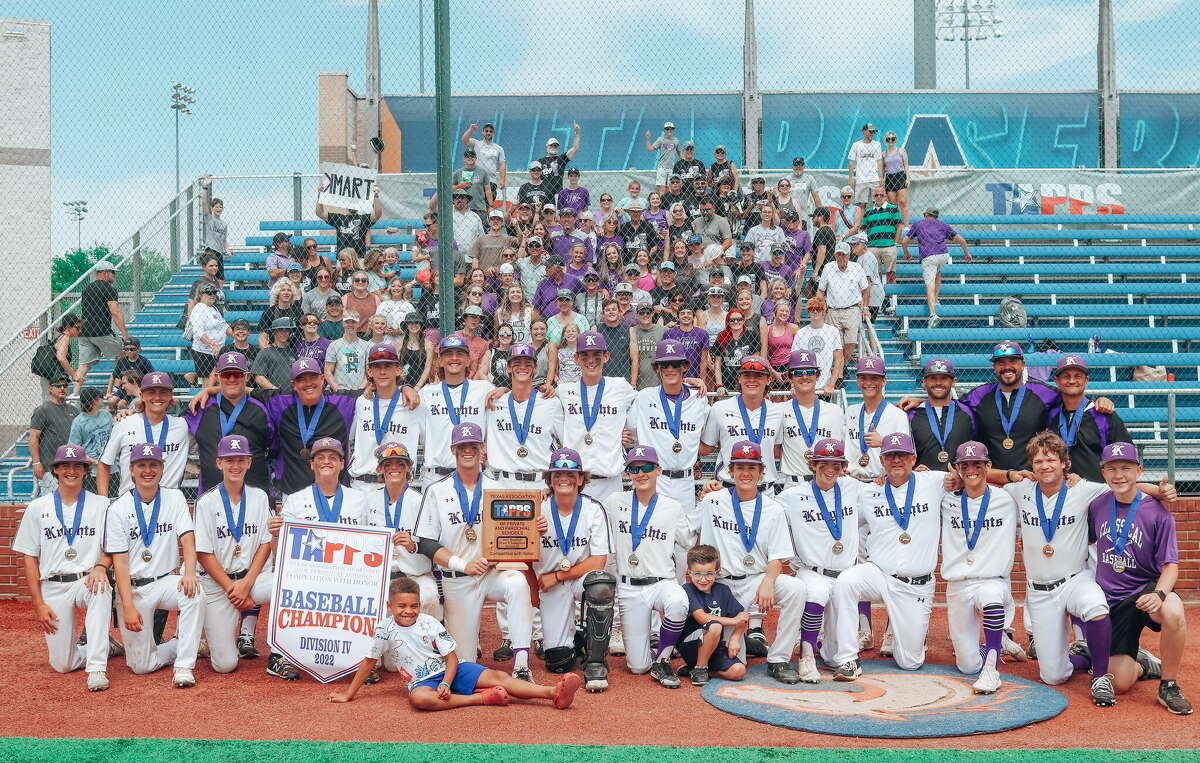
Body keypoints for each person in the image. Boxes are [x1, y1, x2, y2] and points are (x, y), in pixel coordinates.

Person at [1000, 431, 1159, 705]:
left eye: (1050, 459)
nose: (1044, 466)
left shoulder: (1083, 489)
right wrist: (1010, 475)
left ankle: (1100, 676)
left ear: (1064, 463)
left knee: (1096, 607)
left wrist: (1160, 491)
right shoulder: (1021, 490)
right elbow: (986, 477)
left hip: (1075, 578)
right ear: (1031, 466)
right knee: (1053, 676)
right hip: (1039, 590)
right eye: (1037, 461)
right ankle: (1087, 654)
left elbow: (1123, 488)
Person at [327, 578, 581, 710]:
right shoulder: (384, 629)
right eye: (402, 606)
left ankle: (552, 693)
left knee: (497, 676)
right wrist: (349, 694)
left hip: (451, 671)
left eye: (414, 606)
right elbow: (369, 661)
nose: (409, 611)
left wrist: (448, 682)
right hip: (422, 682)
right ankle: (482, 700)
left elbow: (451, 658)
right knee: (419, 700)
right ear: (390, 606)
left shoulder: (429, 623)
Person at [415, 422, 536, 679]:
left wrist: (535, 527)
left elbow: (514, 533)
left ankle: (522, 665)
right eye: (462, 446)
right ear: (453, 449)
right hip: (458, 578)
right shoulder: (437, 490)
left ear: (482, 449)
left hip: (491, 574)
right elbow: (426, 543)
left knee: (516, 582)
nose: (467, 451)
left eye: (473, 446)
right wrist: (463, 564)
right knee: (464, 667)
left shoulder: (499, 488)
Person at [830, 433, 949, 679]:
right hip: (880, 573)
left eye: (902, 455)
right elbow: (845, 518)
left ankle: (905, 635)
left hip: (915, 584)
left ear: (914, 458)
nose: (897, 460)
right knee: (845, 582)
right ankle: (847, 658)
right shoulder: (868, 492)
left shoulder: (934, 482)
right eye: (890, 456)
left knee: (910, 662)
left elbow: (962, 479)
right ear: (882, 460)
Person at [1088, 442, 1191, 714]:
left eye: (1125, 468)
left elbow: (1170, 565)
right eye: (1111, 469)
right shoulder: (1097, 505)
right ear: (1103, 472)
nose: (1118, 475)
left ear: (1139, 470)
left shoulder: (1158, 512)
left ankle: (1168, 684)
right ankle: (1144, 663)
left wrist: (1158, 594)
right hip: (1111, 599)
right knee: (1120, 682)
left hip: (1145, 591)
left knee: (1173, 609)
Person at [697, 440, 803, 683]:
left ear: (761, 471)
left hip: (756, 580)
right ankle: (730, 645)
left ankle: (778, 659)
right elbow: (693, 536)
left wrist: (768, 580)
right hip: (723, 586)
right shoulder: (713, 501)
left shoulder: (772, 508)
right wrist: (705, 491)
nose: (746, 473)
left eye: (752, 468)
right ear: (730, 471)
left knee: (796, 589)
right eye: (740, 467)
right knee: (735, 667)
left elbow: (778, 557)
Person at [265, 436, 371, 680]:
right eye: (320, 458)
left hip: (347, 575)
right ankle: (279, 655)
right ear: (312, 464)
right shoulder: (296, 500)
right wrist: (274, 534)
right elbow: (279, 550)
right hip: (308, 577)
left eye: (333, 457)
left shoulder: (358, 500)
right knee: (283, 586)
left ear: (342, 464)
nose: (326, 462)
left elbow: (369, 543)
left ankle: (359, 659)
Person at [12, 443, 113, 691]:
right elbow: (29, 557)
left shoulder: (101, 505)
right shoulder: (37, 507)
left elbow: (112, 547)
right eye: (65, 465)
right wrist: (38, 604)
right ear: (55, 470)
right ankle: (104, 646)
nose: (71, 470)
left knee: (101, 588)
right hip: (53, 585)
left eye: (77, 466)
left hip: (86, 579)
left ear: (85, 471)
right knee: (63, 664)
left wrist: (101, 566)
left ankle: (97, 667)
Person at [105, 442, 203, 687]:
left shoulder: (175, 497)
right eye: (142, 465)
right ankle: (177, 645)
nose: (148, 470)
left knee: (195, 593)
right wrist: (126, 605)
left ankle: (184, 665)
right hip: (135, 588)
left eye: (153, 465)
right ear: (131, 469)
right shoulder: (117, 508)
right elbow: (120, 562)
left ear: (162, 468)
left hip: (165, 581)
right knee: (141, 667)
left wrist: (189, 572)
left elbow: (188, 540)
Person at [602, 446, 691, 687]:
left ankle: (662, 659)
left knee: (678, 601)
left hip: (661, 581)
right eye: (634, 468)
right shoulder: (614, 502)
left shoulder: (672, 507)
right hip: (629, 587)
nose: (641, 473)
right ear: (628, 473)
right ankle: (651, 658)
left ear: (658, 470)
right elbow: (589, 512)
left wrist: (706, 498)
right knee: (638, 667)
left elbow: (690, 540)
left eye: (647, 468)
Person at [938, 441, 1019, 694]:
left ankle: (992, 669)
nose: (972, 470)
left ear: (988, 466)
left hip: (992, 580)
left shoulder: (1007, 499)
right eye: (965, 465)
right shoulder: (946, 500)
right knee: (966, 665)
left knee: (991, 596)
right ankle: (995, 644)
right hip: (959, 583)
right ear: (958, 469)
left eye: (978, 464)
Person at [778, 437, 863, 679]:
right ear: (813, 464)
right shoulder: (792, 496)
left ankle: (830, 649)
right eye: (823, 462)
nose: (829, 468)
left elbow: (887, 487)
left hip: (846, 572)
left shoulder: (853, 487)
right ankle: (806, 656)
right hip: (812, 571)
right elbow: (763, 507)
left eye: (835, 464)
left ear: (842, 466)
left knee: (835, 656)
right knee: (815, 593)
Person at [628, 339, 711, 576]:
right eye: (665, 365)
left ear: (685, 366)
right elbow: (630, 429)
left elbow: (705, 441)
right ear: (656, 369)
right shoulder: (644, 398)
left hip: (685, 481)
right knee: (653, 535)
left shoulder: (698, 398)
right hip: (657, 479)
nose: (670, 369)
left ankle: (681, 599)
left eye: (676, 364)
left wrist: (694, 383)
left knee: (684, 542)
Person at [534, 448, 614, 690]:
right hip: (548, 584)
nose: (564, 478)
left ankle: (596, 661)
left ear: (580, 479)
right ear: (549, 479)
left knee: (601, 584)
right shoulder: (537, 507)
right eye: (557, 473)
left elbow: (599, 560)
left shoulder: (593, 509)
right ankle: (579, 638)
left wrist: (558, 575)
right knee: (558, 662)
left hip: (576, 577)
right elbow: (523, 554)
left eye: (570, 473)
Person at [193, 434, 274, 675]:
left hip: (251, 580)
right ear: (219, 463)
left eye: (240, 460)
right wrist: (232, 588)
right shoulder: (206, 502)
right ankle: (198, 639)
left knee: (288, 584)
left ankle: (285, 652)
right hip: (219, 586)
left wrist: (246, 584)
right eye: (229, 460)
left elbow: (266, 543)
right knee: (225, 665)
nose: (235, 466)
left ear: (249, 462)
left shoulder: (259, 497)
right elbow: (203, 553)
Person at [556, 332, 638, 501]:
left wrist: (627, 429)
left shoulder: (620, 387)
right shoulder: (564, 391)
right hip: (576, 482)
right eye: (585, 356)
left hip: (610, 483)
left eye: (596, 355)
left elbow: (649, 401)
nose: (591, 360)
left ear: (606, 356)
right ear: (576, 358)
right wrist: (503, 390)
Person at [364, 443, 440, 618]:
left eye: (400, 464)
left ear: (409, 468)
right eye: (388, 464)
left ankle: (428, 641)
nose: (394, 468)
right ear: (380, 469)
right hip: (381, 576)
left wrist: (414, 545)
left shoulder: (421, 501)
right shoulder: (370, 500)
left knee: (428, 596)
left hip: (415, 575)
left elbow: (434, 542)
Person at [183, 352, 272, 495]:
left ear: (247, 376)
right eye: (226, 375)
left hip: (255, 496)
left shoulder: (262, 409)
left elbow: (275, 446)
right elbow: (169, 430)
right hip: (211, 496)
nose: (231, 379)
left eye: (237, 374)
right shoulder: (201, 407)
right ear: (218, 376)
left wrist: (211, 388)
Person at [417, 336, 496, 487]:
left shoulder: (484, 389)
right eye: (448, 354)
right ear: (440, 361)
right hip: (435, 477)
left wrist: (504, 389)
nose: (454, 358)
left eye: (460, 353)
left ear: (468, 360)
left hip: (473, 476)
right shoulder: (426, 394)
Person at [97, 371, 188, 497]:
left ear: (170, 396)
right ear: (141, 395)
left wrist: (207, 390)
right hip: (130, 503)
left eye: (163, 392)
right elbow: (104, 463)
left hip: (168, 505)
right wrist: (103, 501)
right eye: (151, 392)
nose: (157, 397)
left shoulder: (182, 426)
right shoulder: (124, 424)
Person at [485, 343, 564, 487]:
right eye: (516, 363)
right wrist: (503, 389)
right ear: (508, 367)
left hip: (541, 483)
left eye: (528, 363)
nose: (522, 367)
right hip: (503, 483)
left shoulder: (551, 403)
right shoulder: (494, 402)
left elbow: (566, 442)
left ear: (536, 367)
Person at [347, 344, 420, 490]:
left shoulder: (413, 403)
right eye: (377, 367)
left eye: (387, 366)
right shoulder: (361, 402)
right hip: (362, 485)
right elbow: (348, 439)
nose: (382, 372)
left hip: (398, 483)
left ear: (398, 370)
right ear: (369, 371)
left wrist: (406, 387)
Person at [1047, 355, 1131, 482]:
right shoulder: (1049, 415)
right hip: (1058, 490)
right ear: (1057, 381)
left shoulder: (1104, 415)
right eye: (1066, 376)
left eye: (1077, 376)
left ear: (1086, 380)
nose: (1071, 380)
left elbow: (1126, 455)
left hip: (1095, 491)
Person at [678, 544, 748, 685]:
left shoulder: (723, 590)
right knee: (714, 626)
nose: (703, 580)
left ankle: (697, 670)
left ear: (717, 572)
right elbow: (702, 617)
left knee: (739, 671)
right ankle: (699, 668)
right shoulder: (687, 589)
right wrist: (734, 621)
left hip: (715, 647)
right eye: (697, 574)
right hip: (690, 645)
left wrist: (735, 637)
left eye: (709, 574)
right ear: (689, 572)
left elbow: (743, 616)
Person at [778, 351, 846, 486]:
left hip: (827, 483)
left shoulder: (835, 411)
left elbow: (843, 449)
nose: (804, 377)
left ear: (817, 375)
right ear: (790, 377)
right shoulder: (780, 411)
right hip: (794, 484)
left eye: (810, 372)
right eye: (798, 373)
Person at [900, 207, 972, 327]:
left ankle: (933, 314)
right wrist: (967, 253)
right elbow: (962, 241)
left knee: (930, 285)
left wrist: (906, 253)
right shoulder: (943, 225)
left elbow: (904, 242)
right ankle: (936, 300)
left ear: (925, 214)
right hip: (943, 255)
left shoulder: (918, 224)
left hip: (929, 257)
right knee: (937, 273)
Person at [844, 357, 910, 481]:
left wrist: (884, 442)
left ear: (884, 381)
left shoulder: (897, 415)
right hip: (851, 480)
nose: (868, 383)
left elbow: (906, 454)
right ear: (857, 381)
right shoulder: (850, 412)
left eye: (874, 378)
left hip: (880, 481)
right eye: (863, 378)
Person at [906, 358, 977, 470]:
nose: (938, 383)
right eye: (933, 378)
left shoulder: (968, 413)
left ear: (953, 381)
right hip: (923, 483)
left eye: (944, 378)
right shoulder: (911, 415)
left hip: (960, 483)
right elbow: (905, 455)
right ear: (924, 381)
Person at [77, 261, 129, 384]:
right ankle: (117, 387)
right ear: (105, 272)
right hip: (101, 331)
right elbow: (115, 312)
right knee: (122, 354)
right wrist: (125, 333)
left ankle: (74, 394)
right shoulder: (109, 289)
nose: (114, 276)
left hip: (84, 332)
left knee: (84, 365)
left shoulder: (87, 289)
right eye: (113, 273)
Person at [817, 242, 870, 365]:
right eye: (838, 254)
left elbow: (866, 289)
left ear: (849, 255)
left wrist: (866, 307)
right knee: (836, 343)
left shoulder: (856, 268)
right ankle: (840, 368)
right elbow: (820, 290)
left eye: (843, 254)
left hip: (852, 309)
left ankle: (843, 364)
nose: (840, 257)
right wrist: (821, 307)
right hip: (833, 310)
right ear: (835, 255)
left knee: (851, 341)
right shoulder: (828, 267)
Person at [29, 376, 79, 496]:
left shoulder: (74, 410)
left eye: (65, 386)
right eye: (58, 386)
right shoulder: (43, 410)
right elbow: (33, 437)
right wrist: (36, 463)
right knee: (52, 505)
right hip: (50, 468)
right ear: (50, 389)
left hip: (71, 467)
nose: (62, 388)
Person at [315, 177, 382, 259]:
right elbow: (320, 213)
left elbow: (377, 214)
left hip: (359, 257)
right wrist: (320, 194)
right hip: (342, 258)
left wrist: (376, 195)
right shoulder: (339, 218)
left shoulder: (363, 218)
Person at [788, 296, 843, 397]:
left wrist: (831, 384)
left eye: (818, 309)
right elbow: (793, 360)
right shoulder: (801, 333)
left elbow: (839, 359)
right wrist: (793, 384)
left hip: (825, 385)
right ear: (808, 311)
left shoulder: (833, 331)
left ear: (823, 311)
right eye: (812, 309)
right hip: (804, 383)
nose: (815, 312)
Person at [709, 310, 764, 392]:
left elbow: (756, 359)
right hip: (727, 384)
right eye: (732, 320)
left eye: (739, 319)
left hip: (747, 382)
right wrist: (719, 385)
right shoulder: (722, 336)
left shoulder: (752, 335)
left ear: (743, 320)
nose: (736, 322)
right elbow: (717, 363)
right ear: (728, 322)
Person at [859, 188, 903, 285]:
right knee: (874, 274)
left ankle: (891, 296)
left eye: (881, 195)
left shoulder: (893, 208)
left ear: (886, 196)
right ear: (873, 197)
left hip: (889, 246)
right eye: (876, 195)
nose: (879, 197)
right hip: (872, 247)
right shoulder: (868, 211)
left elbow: (899, 226)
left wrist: (895, 242)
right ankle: (878, 295)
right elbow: (864, 229)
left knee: (891, 273)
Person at [186, 284, 227, 386]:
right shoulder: (199, 308)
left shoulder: (214, 309)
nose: (212, 295)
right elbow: (199, 333)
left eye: (214, 292)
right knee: (208, 383)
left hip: (216, 350)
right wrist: (213, 345)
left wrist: (235, 335)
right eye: (209, 293)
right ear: (200, 294)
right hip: (204, 351)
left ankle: (192, 376)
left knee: (217, 379)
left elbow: (224, 326)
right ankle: (206, 401)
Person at [35, 315, 83, 400]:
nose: (80, 330)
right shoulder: (65, 337)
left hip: (52, 376)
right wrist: (74, 375)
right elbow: (61, 357)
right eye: (77, 328)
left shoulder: (63, 336)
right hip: (53, 378)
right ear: (68, 327)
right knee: (52, 402)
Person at [847, 122, 883, 230]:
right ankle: (862, 227)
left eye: (873, 132)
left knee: (877, 202)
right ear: (864, 131)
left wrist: (881, 176)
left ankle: (875, 226)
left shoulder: (877, 144)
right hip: (861, 179)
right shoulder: (856, 145)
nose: (872, 134)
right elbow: (852, 162)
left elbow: (879, 161)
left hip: (874, 178)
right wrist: (850, 178)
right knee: (861, 205)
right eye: (870, 131)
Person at [323, 311, 369, 393]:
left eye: (354, 322)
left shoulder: (366, 345)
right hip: (340, 390)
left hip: (360, 390)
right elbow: (328, 371)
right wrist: (337, 389)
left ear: (358, 324)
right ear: (343, 323)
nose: (350, 325)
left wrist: (361, 388)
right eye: (347, 322)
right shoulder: (334, 345)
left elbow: (369, 371)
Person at [662, 306, 710, 380]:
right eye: (682, 313)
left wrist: (702, 381)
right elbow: (665, 359)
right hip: (674, 378)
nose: (686, 315)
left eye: (689, 313)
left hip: (695, 377)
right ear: (677, 317)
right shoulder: (669, 333)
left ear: (693, 317)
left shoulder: (702, 334)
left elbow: (703, 361)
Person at [252, 318, 299, 391]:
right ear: (273, 332)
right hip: (274, 396)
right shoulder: (265, 352)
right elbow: (258, 377)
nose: (284, 333)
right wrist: (275, 390)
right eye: (280, 330)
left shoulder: (292, 351)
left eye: (286, 330)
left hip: (293, 394)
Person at [461, 122, 507, 195]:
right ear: (482, 132)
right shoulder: (476, 143)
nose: (488, 133)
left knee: (487, 202)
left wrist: (502, 180)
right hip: (477, 179)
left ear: (493, 132)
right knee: (475, 202)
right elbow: (464, 140)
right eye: (486, 131)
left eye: (490, 131)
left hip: (491, 180)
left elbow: (502, 164)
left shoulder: (499, 148)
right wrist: (471, 129)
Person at [537, 125, 581, 199]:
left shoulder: (561, 159)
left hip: (558, 194)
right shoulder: (540, 162)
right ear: (546, 147)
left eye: (555, 146)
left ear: (558, 148)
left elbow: (575, 148)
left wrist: (577, 133)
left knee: (558, 210)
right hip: (543, 193)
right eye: (551, 145)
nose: (553, 147)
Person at [629, 304, 667, 390]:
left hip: (658, 381)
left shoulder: (663, 330)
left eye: (648, 312)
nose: (645, 315)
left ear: (653, 313)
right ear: (636, 315)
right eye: (642, 312)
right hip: (638, 380)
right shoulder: (632, 331)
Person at [198, 175, 230, 279]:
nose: (219, 208)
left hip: (219, 252)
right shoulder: (209, 218)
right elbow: (203, 202)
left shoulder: (224, 224)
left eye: (220, 207)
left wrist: (228, 250)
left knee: (221, 279)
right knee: (210, 275)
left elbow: (224, 240)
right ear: (212, 208)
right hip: (210, 250)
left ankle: (218, 294)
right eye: (216, 206)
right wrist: (205, 187)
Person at [452, 148, 493, 217]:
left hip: (480, 208)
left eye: (472, 156)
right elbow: (450, 188)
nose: (470, 158)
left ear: (476, 158)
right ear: (464, 159)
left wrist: (491, 206)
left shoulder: (483, 172)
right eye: (467, 156)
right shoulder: (458, 173)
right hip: (462, 208)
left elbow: (488, 190)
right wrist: (459, 186)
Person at [765, 301, 798, 386]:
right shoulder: (768, 330)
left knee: (791, 396)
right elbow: (765, 353)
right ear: (775, 312)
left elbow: (799, 349)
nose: (784, 313)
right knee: (777, 398)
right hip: (774, 367)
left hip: (790, 366)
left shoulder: (793, 328)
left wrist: (793, 369)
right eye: (782, 310)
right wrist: (773, 372)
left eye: (787, 311)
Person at [881, 130, 911, 224]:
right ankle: (897, 225)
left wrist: (908, 178)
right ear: (885, 140)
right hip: (889, 178)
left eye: (892, 138)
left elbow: (906, 165)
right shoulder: (883, 154)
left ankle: (906, 225)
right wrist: (881, 181)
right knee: (893, 205)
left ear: (895, 140)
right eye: (888, 139)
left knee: (902, 202)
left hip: (900, 176)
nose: (890, 140)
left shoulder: (901, 151)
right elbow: (882, 169)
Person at [185, 254, 225, 321]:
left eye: (216, 266)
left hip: (217, 319)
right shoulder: (199, 282)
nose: (214, 268)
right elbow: (191, 303)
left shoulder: (216, 282)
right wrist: (192, 322)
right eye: (211, 266)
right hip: (205, 320)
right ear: (204, 267)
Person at [645, 122, 681, 192]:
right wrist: (647, 139)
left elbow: (679, 153)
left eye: (671, 129)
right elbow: (650, 148)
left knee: (670, 188)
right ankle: (662, 202)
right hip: (662, 167)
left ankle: (668, 202)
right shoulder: (660, 140)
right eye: (667, 129)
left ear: (674, 130)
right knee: (662, 188)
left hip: (672, 168)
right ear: (664, 130)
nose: (669, 130)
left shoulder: (676, 141)